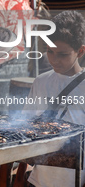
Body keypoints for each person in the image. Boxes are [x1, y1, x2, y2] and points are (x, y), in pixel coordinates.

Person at [25, 10, 85, 187]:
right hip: (41, 179)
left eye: (63, 54)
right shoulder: (41, 81)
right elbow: (26, 124)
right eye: (49, 51)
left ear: (80, 51)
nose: (54, 60)